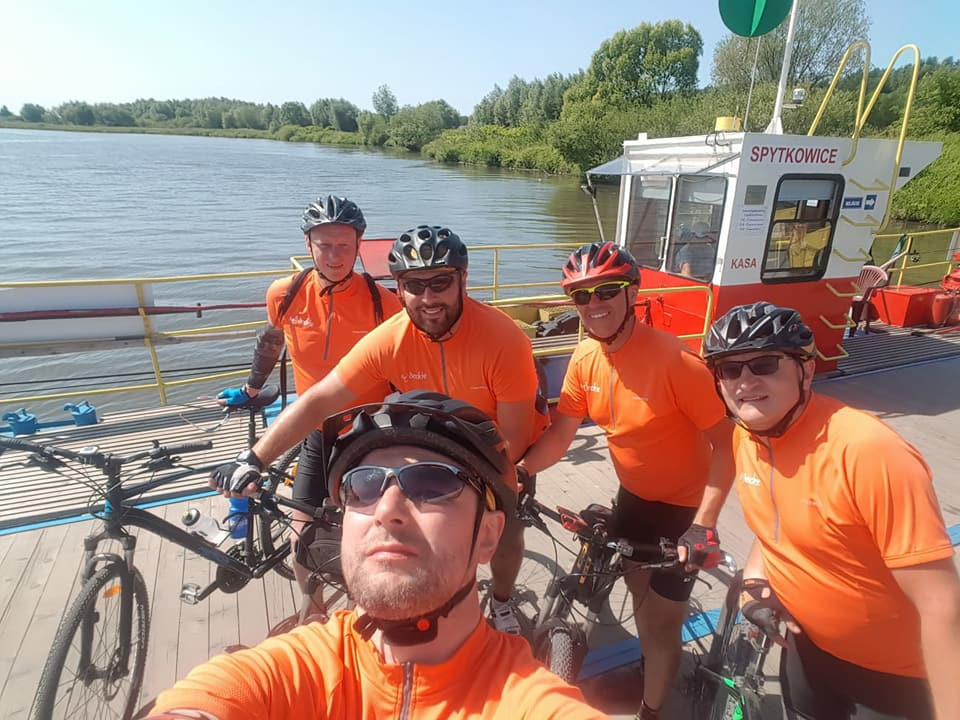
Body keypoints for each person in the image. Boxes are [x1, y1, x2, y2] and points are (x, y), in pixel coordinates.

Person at [152, 392, 608, 720]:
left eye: (432, 484)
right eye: (364, 486)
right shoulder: (293, 670)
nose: (387, 509)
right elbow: (212, 699)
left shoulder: (530, 701)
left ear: (488, 535)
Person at [212, 225, 547, 634]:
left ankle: (502, 600)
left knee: (505, 528)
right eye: (414, 286)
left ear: (463, 278)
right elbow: (321, 398)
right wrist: (254, 457)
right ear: (399, 288)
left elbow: (513, 439)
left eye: (440, 283)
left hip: (492, 449)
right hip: (430, 445)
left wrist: (464, 485)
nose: (428, 298)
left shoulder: (504, 339)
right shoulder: (389, 339)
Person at [703, 301, 960, 720]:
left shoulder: (869, 452)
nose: (745, 381)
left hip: (894, 679)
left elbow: (941, 606)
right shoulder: (746, 438)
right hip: (806, 653)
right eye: (729, 370)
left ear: (805, 370)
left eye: (765, 364)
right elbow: (774, 527)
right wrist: (754, 582)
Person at [516, 242, 734, 719]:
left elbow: (728, 446)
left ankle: (651, 711)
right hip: (633, 501)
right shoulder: (584, 358)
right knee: (640, 600)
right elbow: (561, 434)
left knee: (661, 625)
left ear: (632, 292)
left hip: (683, 513)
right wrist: (521, 472)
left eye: (606, 291)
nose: (593, 304)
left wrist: (704, 524)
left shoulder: (677, 362)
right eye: (581, 296)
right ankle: (652, 663)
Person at [216, 195, 401, 605]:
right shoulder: (285, 293)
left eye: (344, 246)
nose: (334, 256)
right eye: (324, 245)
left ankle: (365, 609)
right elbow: (271, 341)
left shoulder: (384, 304)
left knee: (368, 536)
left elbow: (405, 369)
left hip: (367, 432)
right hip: (316, 430)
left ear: (359, 245)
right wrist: (252, 387)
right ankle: (313, 612)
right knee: (301, 536)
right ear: (308, 245)